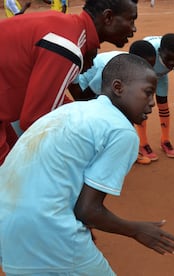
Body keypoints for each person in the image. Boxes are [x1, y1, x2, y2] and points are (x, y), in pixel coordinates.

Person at [0, 54, 174, 275]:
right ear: (118, 87)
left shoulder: (74, 110)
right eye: (148, 92)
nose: (153, 101)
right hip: (50, 229)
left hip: (7, 225)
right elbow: (87, 210)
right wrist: (136, 230)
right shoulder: (121, 131)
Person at [0, 0, 138, 165]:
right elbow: (35, 119)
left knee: (15, 165)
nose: (134, 28)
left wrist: (86, 115)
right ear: (108, 17)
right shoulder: (67, 47)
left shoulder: (66, 29)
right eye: (131, 20)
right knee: (12, 177)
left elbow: (50, 102)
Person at [68, 40, 156, 165]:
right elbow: (85, 96)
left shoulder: (131, 68)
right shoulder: (110, 69)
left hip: (105, 88)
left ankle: (129, 151)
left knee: (124, 112)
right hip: (86, 87)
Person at [135, 33, 174, 161]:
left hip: (161, 76)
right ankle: (143, 144)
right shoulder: (148, 54)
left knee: (163, 104)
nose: (172, 63)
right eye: (168, 59)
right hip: (144, 75)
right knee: (143, 106)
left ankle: (165, 140)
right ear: (159, 52)